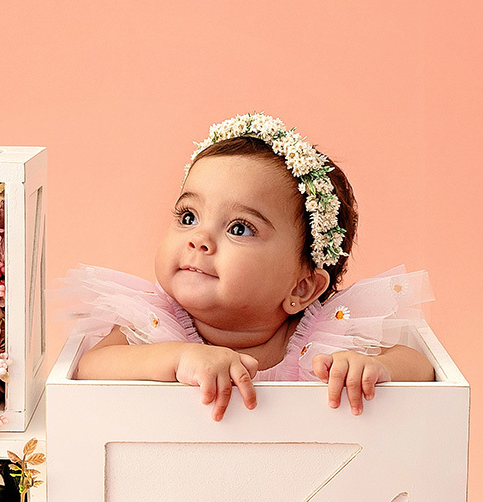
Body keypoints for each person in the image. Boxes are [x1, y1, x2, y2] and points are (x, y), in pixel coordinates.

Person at [64, 113, 436, 421]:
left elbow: (420, 366)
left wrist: (374, 369)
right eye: (188, 216)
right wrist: (177, 359)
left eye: (239, 228)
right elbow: (91, 366)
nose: (200, 239)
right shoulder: (156, 324)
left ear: (301, 289)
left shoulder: (323, 339)